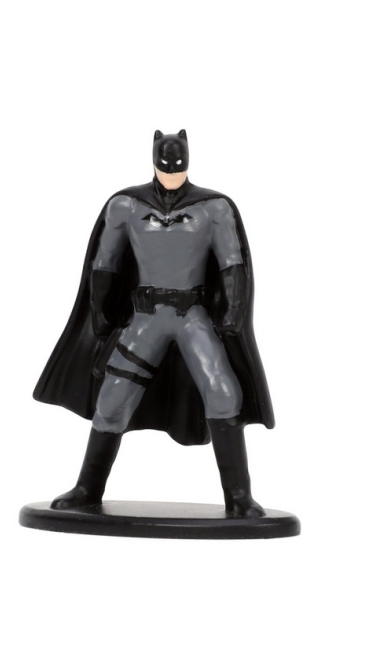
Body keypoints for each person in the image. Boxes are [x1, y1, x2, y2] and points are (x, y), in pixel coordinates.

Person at [33, 130, 275, 517]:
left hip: (191, 317)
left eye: (178, 165)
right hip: (146, 318)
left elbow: (232, 262)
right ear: (153, 160)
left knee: (223, 392)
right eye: (166, 165)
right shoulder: (126, 206)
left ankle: (239, 497)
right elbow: (105, 261)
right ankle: (87, 488)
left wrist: (233, 311)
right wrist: (100, 311)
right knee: (113, 397)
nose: (172, 173)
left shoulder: (214, 208)